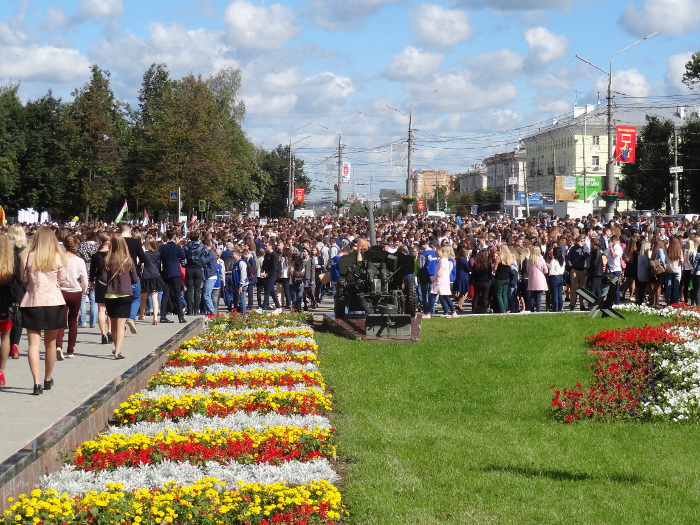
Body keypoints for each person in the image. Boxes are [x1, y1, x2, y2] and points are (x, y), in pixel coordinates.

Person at [19, 226, 67, 395]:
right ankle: (47, 378)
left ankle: (36, 383)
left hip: (32, 301)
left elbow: (24, 278)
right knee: (51, 344)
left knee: (33, 344)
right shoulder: (57, 257)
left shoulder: (27, 256)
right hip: (54, 301)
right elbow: (60, 279)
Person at [102, 233, 139, 360]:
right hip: (125, 293)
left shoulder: (107, 259)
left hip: (110, 294)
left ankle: (115, 347)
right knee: (121, 323)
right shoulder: (128, 259)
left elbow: (104, 278)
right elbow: (135, 279)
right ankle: (118, 350)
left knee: (112, 323)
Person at [55, 235, 88, 359]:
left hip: (61, 291)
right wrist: (83, 291)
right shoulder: (79, 261)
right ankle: (70, 351)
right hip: (75, 292)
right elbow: (84, 279)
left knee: (61, 322)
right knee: (73, 321)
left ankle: (58, 346)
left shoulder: (59, 258)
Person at [0, 233, 21, 387]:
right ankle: (1, 371)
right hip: (6, 302)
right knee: (6, 337)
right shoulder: (13, 259)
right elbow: (19, 282)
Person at [120, 223, 145, 334]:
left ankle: (121, 321)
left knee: (121, 298)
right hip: (132, 272)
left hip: (119, 273)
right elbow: (143, 258)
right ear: (130, 231)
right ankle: (131, 318)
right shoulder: (135, 242)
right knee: (135, 297)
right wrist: (139, 263)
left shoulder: (116, 242)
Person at [159, 229, 187, 324]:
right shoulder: (177, 247)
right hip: (175, 272)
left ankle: (163, 316)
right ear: (175, 237)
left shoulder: (162, 247)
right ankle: (181, 317)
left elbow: (160, 258)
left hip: (166, 272)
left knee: (165, 294)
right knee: (177, 294)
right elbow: (183, 257)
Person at [7, 223, 27, 359]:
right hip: (20, 287)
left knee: (6, 315)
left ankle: (6, 342)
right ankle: (15, 344)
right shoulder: (25, 251)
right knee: (18, 316)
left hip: (6, 285)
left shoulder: (5, 249)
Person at [138, 235, 166, 325]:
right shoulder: (158, 253)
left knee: (144, 297)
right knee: (155, 297)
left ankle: (142, 314)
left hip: (146, 275)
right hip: (156, 275)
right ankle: (155, 317)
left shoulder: (145, 254)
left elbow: (140, 263)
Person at [90, 233, 111, 344]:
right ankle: (110, 332)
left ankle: (103, 334)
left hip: (100, 282)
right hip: (111, 283)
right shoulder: (112, 254)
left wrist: (91, 282)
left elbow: (92, 271)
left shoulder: (95, 255)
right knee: (111, 310)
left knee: (101, 310)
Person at [183, 230, 209, 316]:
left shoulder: (186, 247)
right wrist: (201, 262)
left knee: (190, 290)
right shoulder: (201, 246)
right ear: (198, 237)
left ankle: (189, 310)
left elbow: (182, 257)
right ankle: (196, 311)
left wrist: (185, 265)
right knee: (197, 291)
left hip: (189, 268)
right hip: (198, 269)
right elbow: (206, 255)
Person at [77, 228, 99, 328]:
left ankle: (82, 321)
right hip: (95, 271)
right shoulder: (98, 246)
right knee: (93, 299)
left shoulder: (82, 246)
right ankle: (93, 322)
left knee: (82, 297)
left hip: (83, 270)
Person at [426, 245, 457, 318]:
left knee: (433, 295)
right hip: (442, 281)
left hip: (440, 281)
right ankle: (453, 312)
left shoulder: (443, 261)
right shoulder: (444, 260)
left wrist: (432, 278)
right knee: (445, 297)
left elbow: (439, 273)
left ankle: (428, 313)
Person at [260, 241, 281, 311]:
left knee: (267, 291)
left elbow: (275, 267)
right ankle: (278, 306)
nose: (265, 247)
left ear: (271, 246)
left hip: (272, 275)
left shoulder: (274, 255)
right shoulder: (266, 255)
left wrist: (268, 274)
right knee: (272, 291)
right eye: (265, 246)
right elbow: (264, 264)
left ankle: (263, 308)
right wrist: (262, 271)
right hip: (267, 275)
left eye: (267, 246)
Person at [527, 246, 548, 312]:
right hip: (540, 279)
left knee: (532, 296)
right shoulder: (541, 259)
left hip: (532, 278)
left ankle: (532, 309)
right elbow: (546, 270)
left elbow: (527, 270)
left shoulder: (529, 260)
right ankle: (538, 310)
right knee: (539, 296)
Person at [664, 236, 683, 306]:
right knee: (676, 286)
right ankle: (675, 300)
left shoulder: (667, 250)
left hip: (669, 269)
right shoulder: (679, 250)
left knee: (668, 285)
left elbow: (665, 260)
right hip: (677, 270)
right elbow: (682, 260)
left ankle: (667, 299)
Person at [547, 245, 565, 312]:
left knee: (554, 294)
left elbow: (551, 272)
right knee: (560, 294)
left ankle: (555, 309)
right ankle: (560, 308)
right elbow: (563, 270)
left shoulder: (553, 260)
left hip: (554, 278)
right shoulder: (562, 260)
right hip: (560, 277)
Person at [453, 246, 471, 312]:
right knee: (465, 292)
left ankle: (460, 305)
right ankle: (459, 304)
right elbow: (467, 268)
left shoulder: (458, 259)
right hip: (464, 277)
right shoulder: (463, 260)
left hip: (459, 276)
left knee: (462, 292)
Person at [230, 249, 249, 314]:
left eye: (233, 254)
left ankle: (243, 313)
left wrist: (241, 284)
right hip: (237, 284)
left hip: (242, 284)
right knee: (239, 299)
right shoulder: (235, 263)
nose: (232, 256)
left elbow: (243, 274)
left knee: (242, 299)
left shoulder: (241, 263)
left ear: (237, 254)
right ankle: (241, 312)